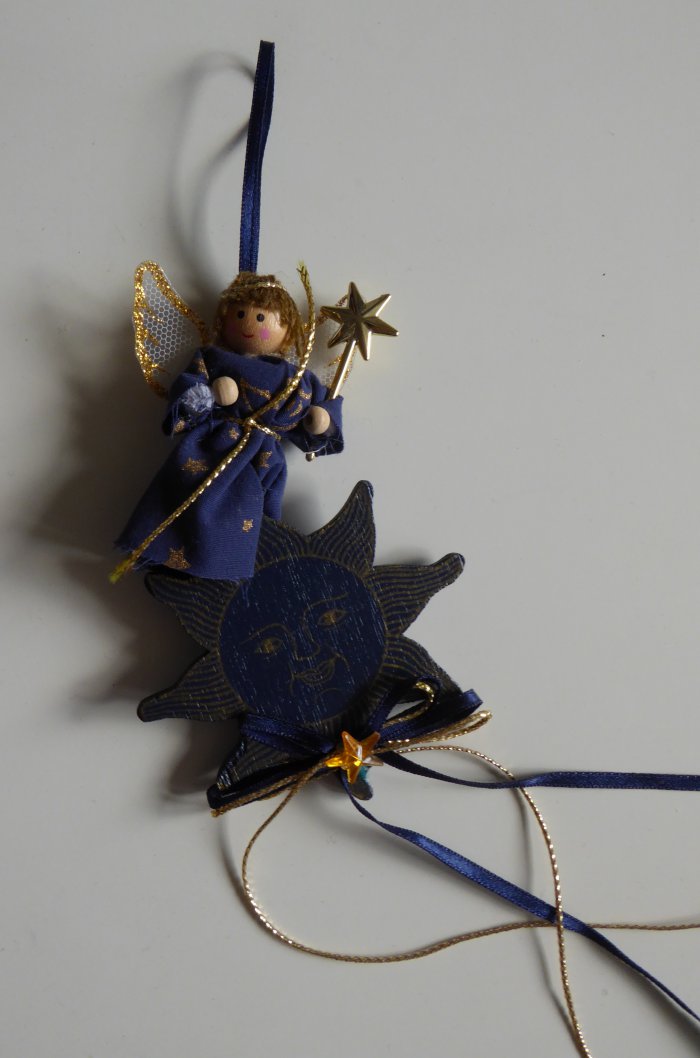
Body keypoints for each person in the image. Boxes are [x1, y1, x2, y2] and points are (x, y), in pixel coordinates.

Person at [116, 272, 343, 580]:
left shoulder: (296, 378)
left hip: (261, 458)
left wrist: (321, 420)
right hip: (212, 446)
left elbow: (316, 414)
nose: (250, 324)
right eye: (240, 315)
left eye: (262, 317)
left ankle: (230, 575)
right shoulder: (212, 358)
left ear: (287, 330)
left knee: (251, 517)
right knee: (188, 493)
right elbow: (186, 392)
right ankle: (170, 560)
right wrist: (209, 395)